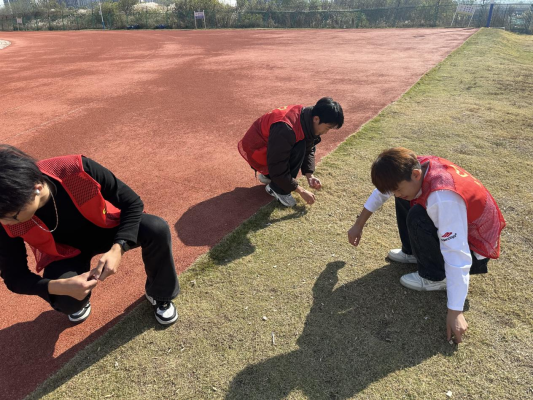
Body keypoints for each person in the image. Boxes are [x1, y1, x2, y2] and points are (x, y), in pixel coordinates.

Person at [0, 145, 180, 325]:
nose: (5, 223)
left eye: (12, 216)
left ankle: (160, 294)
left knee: (156, 228)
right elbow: (14, 276)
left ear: (36, 189)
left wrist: (119, 247)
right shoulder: (4, 214)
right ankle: (78, 301)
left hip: (108, 228)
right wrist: (59, 286)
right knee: (66, 300)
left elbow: (132, 203)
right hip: (63, 253)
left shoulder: (76, 169)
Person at [347, 147, 505, 343]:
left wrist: (455, 310)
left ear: (415, 174)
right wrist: (358, 225)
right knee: (405, 198)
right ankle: (413, 253)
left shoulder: (442, 198)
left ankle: (435, 276)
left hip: (474, 251)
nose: (395, 194)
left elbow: (457, 252)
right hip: (461, 230)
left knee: (417, 216)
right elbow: (384, 192)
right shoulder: (414, 167)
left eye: (397, 188)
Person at [238, 97, 344, 207]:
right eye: (327, 128)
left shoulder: (307, 117)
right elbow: (277, 165)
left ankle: (269, 176)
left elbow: (309, 146)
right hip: (256, 150)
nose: (326, 132)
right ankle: (278, 189)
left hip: (267, 147)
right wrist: (300, 190)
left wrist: (310, 175)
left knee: (301, 143)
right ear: (316, 119)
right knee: (299, 147)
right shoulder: (286, 129)